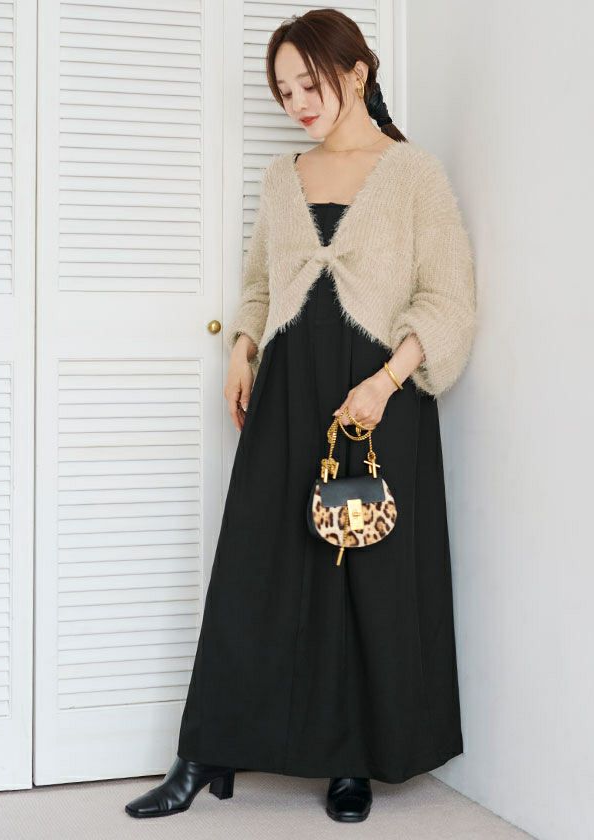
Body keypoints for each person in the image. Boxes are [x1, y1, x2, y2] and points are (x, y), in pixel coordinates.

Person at [126, 8, 476, 824]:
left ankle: (351, 763)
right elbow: (261, 280)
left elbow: (450, 298)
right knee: (254, 568)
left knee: (365, 580)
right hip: (286, 393)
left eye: (308, 84)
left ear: (356, 72)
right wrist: (242, 349)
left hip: (376, 400)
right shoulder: (283, 177)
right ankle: (204, 752)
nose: (297, 104)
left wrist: (386, 383)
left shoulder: (414, 174)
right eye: (283, 91)